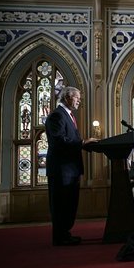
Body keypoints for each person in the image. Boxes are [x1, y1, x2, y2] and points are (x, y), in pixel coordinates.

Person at [45, 86, 98, 246]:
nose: (79, 101)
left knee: (69, 204)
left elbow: (72, 141)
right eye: (77, 98)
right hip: (61, 170)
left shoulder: (68, 116)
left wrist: (92, 145)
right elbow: (59, 141)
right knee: (61, 204)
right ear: (67, 97)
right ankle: (60, 237)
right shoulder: (57, 116)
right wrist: (82, 142)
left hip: (70, 169)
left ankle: (65, 234)